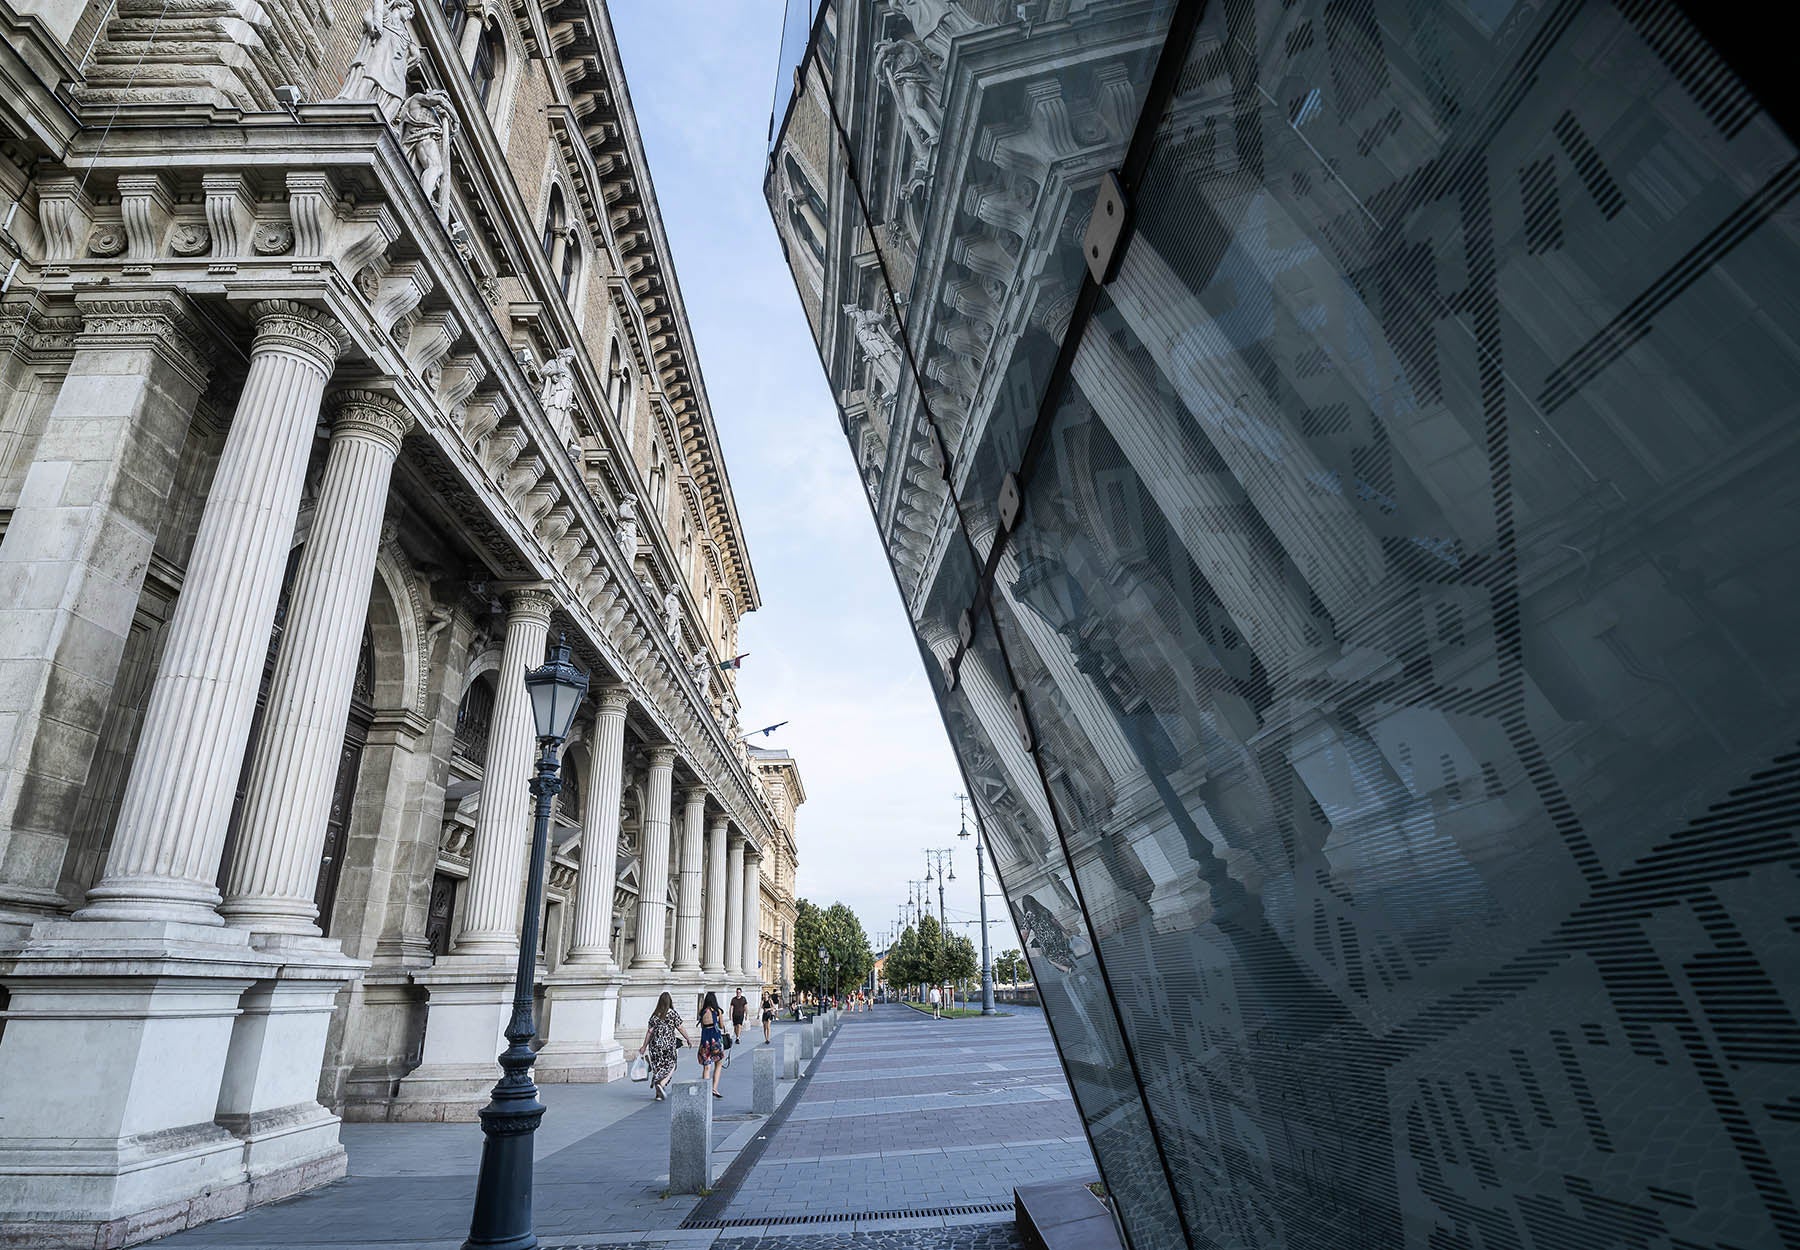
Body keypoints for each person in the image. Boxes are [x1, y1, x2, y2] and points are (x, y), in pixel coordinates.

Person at [643, 992, 691, 1101]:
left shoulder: (655, 1015)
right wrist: (687, 1038)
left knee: (658, 1067)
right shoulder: (672, 1014)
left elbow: (649, 1032)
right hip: (668, 1045)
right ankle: (662, 1084)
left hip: (655, 1045)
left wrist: (644, 1046)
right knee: (672, 1065)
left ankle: (658, 1095)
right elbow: (680, 1028)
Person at [697, 991, 727, 1098]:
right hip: (715, 1041)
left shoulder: (702, 1012)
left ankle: (705, 1090)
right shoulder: (717, 1011)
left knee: (706, 1067)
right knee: (718, 1064)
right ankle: (714, 1088)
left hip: (705, 1041)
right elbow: (722, 1026)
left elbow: (702, 1026)